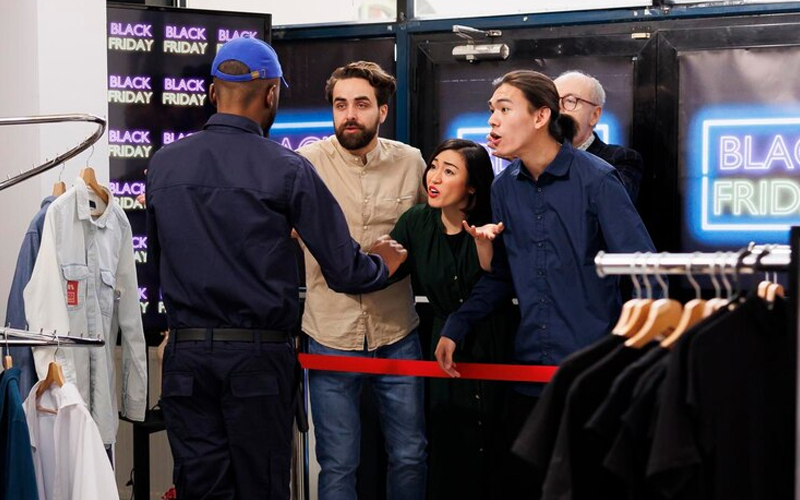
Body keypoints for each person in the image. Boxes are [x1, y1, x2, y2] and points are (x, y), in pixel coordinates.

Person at [146, 37, 407, 500]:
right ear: (271, 94)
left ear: (213, 92)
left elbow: (156, 262)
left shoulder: (163, 165)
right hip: (256, 361)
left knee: (199, 490)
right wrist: (382, 265)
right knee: (261, 488)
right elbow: (345, 271)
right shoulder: (288, 169)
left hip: (186, 360)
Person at [434, 70, 656, 496]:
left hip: (593, 377)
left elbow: (644, 270)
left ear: (540, 116)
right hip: (529, 375)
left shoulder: (598, 179)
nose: (492, 120)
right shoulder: (504, 188)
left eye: (504, 109)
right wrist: (457, 325)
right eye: (491, 110)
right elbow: (502, 276)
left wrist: (646, 364)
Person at [296, 60, 427, 500]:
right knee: (337, 462)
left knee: (410, 454)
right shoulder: (306, 164)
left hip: (397, 332)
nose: (349, 115)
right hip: (329, 334)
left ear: (382, 111)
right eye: (340, 105)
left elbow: (427, 234)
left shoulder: (410, 162)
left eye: (361, 104)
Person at [389, 139, 517, 500]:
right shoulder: (416, 222)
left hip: (494, 342)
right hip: (443, 347)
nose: (434, 177)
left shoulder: (495, 221)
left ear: (472, 186)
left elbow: (500, 280)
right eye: (433, 167)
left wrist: (485, 249)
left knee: (499, 447)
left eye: (449, 171)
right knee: (450, 448)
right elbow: (381, 273)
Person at [554, 70, 644, 202]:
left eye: (570, 101)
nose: (559, 110)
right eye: (553, 101)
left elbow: (613, 203)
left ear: (594, 115)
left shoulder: (620, 159)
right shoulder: (529, 160)